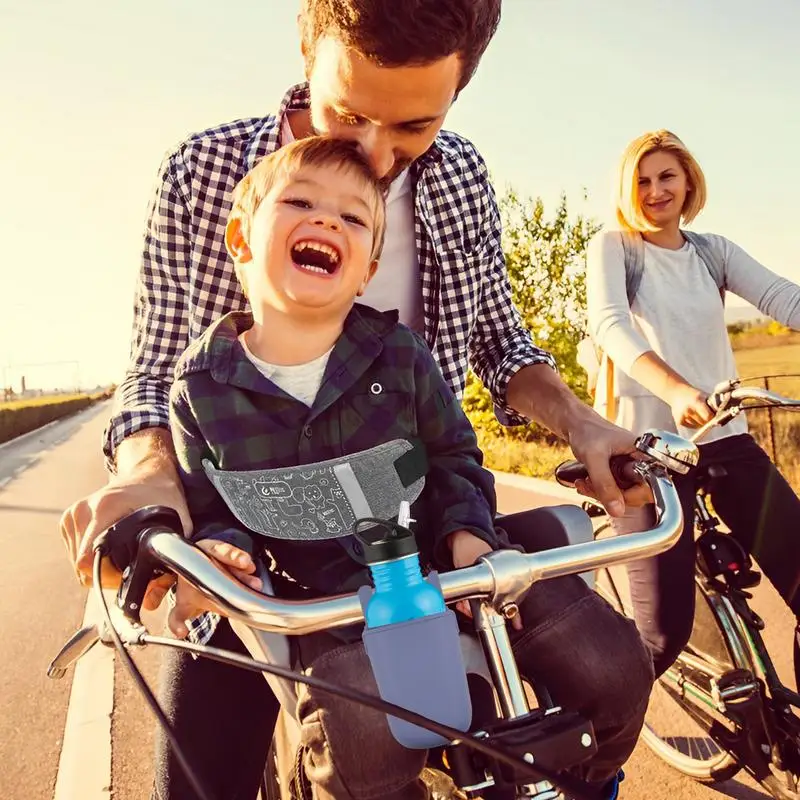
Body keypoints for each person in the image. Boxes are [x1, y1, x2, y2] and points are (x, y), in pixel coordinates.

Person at [58, 2, 651, 797]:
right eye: (348, 112)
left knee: (572, 733)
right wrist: (148, 482)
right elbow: (157, 371)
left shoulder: (461, 177)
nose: (376, 153)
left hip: (430, 528)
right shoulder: (205, 173)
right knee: (199, 781)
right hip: (272, 567)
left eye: (414, 125)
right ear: (308, 54)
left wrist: (584, 424)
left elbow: (501, 346)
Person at [168, 135, 651, 800]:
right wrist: (225, 553)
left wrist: (467, 536)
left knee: (613, 665)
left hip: (463, 569)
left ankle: (590, 781)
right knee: (361, 740)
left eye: (353, 218)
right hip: (334, 605)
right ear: (240, 240)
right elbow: (217, 511)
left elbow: (455, 455)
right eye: (301, 202)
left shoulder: (400, 355)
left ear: (365, 268)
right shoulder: (200, 390)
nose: (327, 220)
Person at [585, 128, 800, 683]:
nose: (655, 190)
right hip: (649, 451)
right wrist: (677, 390)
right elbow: (610, 326)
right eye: (642, 180)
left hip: (724, 437)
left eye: (666, 177)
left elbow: (783, 297)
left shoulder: (713, 252)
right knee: (660, 638)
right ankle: (592, 754)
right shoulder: (616, 247)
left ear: (687, 182)